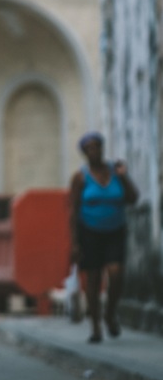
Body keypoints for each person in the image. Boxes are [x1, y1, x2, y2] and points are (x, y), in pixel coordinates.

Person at [69, 131, 139, 343]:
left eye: (97, 146)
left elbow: (133, 198)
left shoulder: (116, 171)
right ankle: (96, 326)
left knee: (116, 274)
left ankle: (110, 313)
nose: (94, 151)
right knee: (93, 279)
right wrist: (74, 243)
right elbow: (72, 210)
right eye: (89, 148)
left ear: (102, 148)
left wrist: (124, 175)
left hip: (115, 231)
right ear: (84, 152)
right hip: (89, 232)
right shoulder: (80, 177)